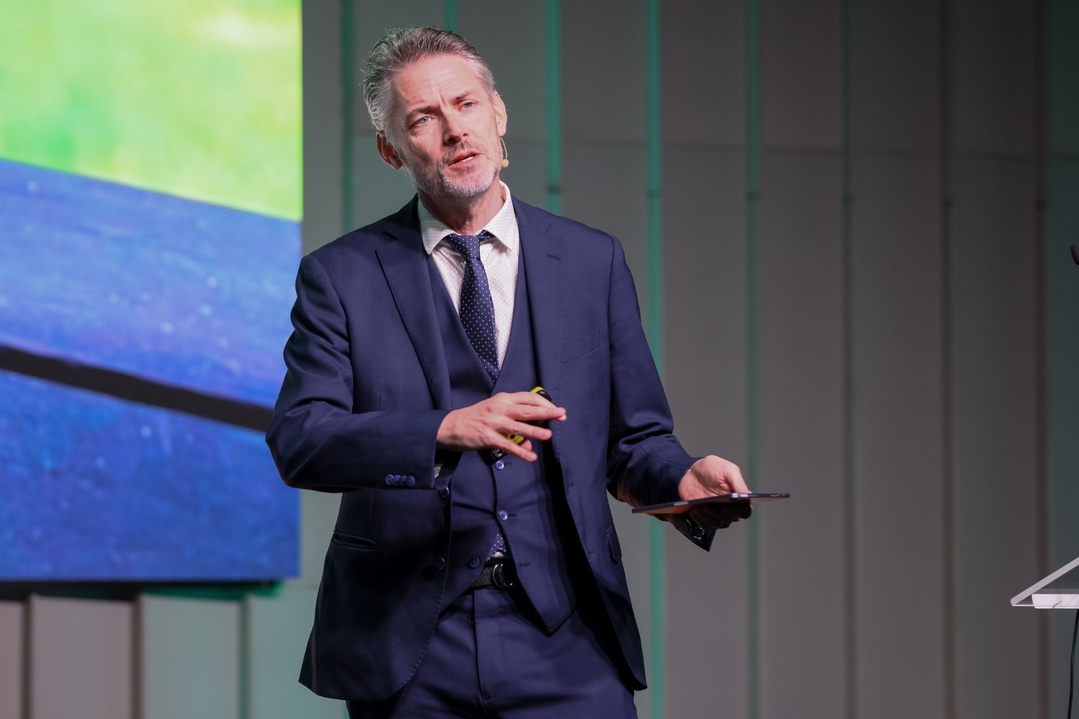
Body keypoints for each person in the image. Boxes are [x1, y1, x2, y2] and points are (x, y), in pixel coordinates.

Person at [266, 26, 751, 719]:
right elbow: (302, 439)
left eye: (466, 104)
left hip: (569, 637)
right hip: (409, 645)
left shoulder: (591, 262)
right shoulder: (341, 276)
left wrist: (682, 479)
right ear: (390, 150)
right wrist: (441, 430)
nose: (454, 130)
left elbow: (632, 440)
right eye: (422, 119)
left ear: (498, 116)